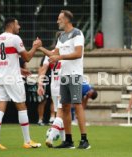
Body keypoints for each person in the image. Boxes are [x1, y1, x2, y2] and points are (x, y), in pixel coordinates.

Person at [38, 10, 90, 149]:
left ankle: (85, 140)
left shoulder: (77, 33)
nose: (57, 21)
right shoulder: (61, 37)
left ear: (67, 20)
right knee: (65, 107)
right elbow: (54, 54)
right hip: (64, 76)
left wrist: (59, 57)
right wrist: (40, 47)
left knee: (77, 104)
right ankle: (68, 140)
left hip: (74, 75)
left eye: (59, 19)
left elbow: (78, 53)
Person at [0, 18, 42, 150]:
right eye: (17, 24)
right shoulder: (15, 38)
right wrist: (36, 46)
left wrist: (20, 70)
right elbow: (27, 58)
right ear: (12, 25)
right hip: (12, 78)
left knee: (0, 107)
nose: (19, 26)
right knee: (22, 107)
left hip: (0, 77)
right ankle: (27, 141)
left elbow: (3, 61)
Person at [37, 52, 65, 147]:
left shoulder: (48, 54)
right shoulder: (67, 52)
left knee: (60, 114)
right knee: (62, 114)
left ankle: (64, 140)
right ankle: (51, 137)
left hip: (54, 86)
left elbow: (43, 69)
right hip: (63, 85)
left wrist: (40, 85)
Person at [37, 56, 55, 126]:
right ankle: (40, 119)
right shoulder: (46, 57)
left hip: (54, 80)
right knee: (42, 100)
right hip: (45, 80)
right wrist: (39, 82)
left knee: (54, 99)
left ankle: (52, 118)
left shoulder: (59, 56)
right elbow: (41, 69)